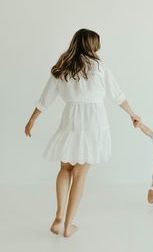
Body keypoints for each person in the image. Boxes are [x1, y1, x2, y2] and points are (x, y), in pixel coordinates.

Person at [25, 28, 140, 237]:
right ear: (92, 44)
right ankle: (68, 226)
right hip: (94, 120)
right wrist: (132, 114)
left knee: (65, 167)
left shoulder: (62, 67)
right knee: (80, 174)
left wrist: (32, 120)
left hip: (71, 118)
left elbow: (45, 99)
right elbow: (117, 95)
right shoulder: (99, 66)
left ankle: (59, 216)